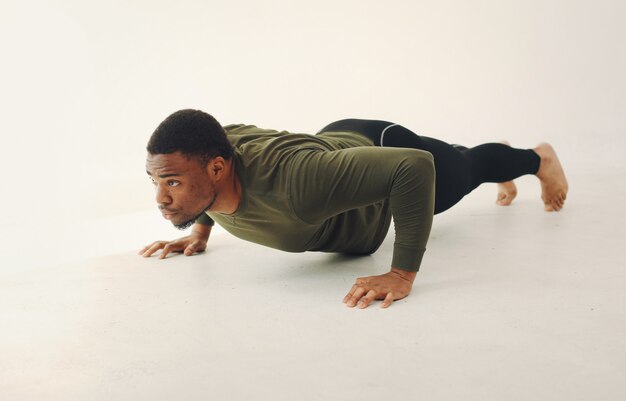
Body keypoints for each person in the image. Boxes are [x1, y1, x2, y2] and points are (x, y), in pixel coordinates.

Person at [139, 109, 568, 309]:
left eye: (171, 182)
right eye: (156, 180)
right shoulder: (212, 162)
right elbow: (217, 145)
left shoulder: (297, 185)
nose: (160, 197)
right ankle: (490, 158)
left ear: (217, 168)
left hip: (386, 154)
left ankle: (536, 158)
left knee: (463, 168)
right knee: (465, 160)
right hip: (337, 154)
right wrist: (197, 230)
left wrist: (401, 274)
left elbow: (412, 166)